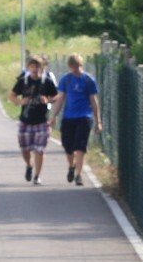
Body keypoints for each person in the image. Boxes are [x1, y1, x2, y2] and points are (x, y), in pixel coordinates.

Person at [53, 52, 99, 185]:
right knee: (68, 146)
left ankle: (79, 175)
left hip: (84, 117)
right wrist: (54, 116)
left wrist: (98, 121)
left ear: (81, 65)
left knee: (80, 146)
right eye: (73, 67)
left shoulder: (88, 80)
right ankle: (71, 166)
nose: (75, 70)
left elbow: (94, 101)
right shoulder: (66, 79)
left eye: (77, 67)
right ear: (70, 66)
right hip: (68, 117)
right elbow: (60, 98)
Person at [11, 54, 58, 184]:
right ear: (29, 67)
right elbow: (12, 95)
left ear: (41, 67)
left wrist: (47, 100)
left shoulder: (46, 82)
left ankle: (37, 176)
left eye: (37, 66)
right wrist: (20, 102)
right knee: (24, 148)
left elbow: (56, 96)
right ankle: (29, 165)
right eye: (32, 66)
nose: (35, 69)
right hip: (25, 120)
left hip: (42, 121)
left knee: (40, 149)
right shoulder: (23, 81)